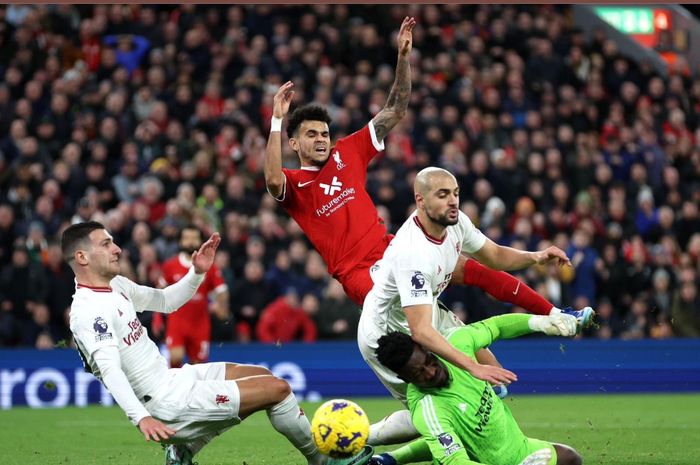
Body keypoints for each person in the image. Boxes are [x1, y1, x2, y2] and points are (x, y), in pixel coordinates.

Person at [357, 168, 591, 451]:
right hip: (387, 335)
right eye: (442, 195)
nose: (453, 201)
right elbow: (420, 331)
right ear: (421, 201)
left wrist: (536, 257)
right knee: (436, 403)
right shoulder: (413, 254)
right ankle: (353, 440)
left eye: (455, 193)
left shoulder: (455, 223)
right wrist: (471, 368)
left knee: (492, 373)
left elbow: (492, 255)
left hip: (424, 312)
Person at [63, 222, 325, 465]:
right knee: (277, 389)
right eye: (105, 244)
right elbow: (110, 370)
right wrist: (141, 417)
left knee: (262, 377)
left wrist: (197, 273)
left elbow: (165, 300)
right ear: (82, 257)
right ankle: (322, 460)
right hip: (165, 403)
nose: (117, 249)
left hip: (173, 379)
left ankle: (183, 450)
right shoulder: (89, 310)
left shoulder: (115, 285)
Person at [372, 316, 583, 465]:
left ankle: (391, 459)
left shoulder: (456, 343)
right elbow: (457, 461)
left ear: (428, 349)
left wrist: (541, 322)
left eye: (429, 361)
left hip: (520, 450)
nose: (431, 372)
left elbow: (497, 326)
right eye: (418, 373)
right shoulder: (428, 409)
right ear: (404, 378)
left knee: (570, 458)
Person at [154, 225, 229, 368]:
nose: (190, 242)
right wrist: (157, 317)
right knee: (176, 357)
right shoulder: (170, 265)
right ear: (180, 242)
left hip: (200, 323)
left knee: (199, 366)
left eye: (194, 238)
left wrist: (222, 307)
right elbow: (159, 292)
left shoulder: (209, 266)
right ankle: (175, 388)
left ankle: (194, 390)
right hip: (176, 320)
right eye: (187, 238)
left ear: (201, 241)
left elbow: (221, 290)